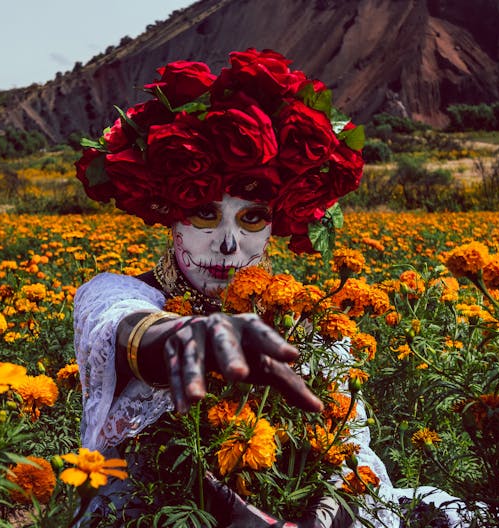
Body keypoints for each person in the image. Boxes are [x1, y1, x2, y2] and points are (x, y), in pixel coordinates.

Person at [74, 49, 469, 527]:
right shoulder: (124, 296)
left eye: (251, 217)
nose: (226, 243)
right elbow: (124, 325)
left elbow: (345, 449)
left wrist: (323, 513)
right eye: (204, 213)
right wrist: (188, 338)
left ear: (276, 223)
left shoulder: (308, 325)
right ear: (169, 213)